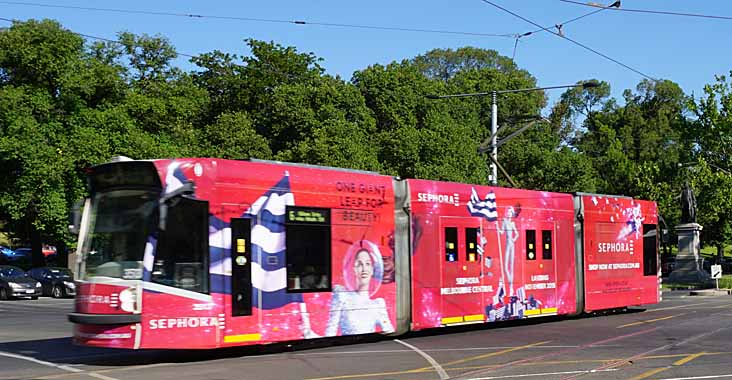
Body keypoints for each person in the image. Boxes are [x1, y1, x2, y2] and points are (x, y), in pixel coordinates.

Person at [324, 240, 394, 336]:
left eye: (368, 264)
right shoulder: (342, 295)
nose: (364, 269)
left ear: (373, 270)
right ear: (354, 269)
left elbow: (389, 331)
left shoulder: (378, 304)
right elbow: (330, 331)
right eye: (359, 264)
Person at [499, 205, 520, 297]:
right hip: (508, 244)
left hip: (512, 244)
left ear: (512, 214)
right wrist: (497, 228)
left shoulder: (512, 224)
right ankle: (509, 283)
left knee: (511, 266)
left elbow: (517, 234)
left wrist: (514, 240)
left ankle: (511, 288)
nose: (509, 213)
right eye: (507, 212)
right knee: (505, 266)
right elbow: (502, 232)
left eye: (510, 212)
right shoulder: (504, 221)